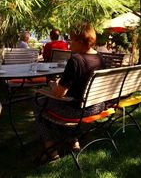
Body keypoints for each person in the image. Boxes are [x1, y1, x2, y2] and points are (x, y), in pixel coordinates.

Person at [34, 23, 106, 164]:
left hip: (78, 110)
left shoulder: (76, 60)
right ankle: (72, 140)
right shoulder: (100, 58)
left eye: (71, 39)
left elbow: (59, 94)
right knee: (53, 105)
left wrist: (53, 85)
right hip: (97, 106)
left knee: (39, 103)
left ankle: (51, 151)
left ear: (80, 41)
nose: (69, 42)